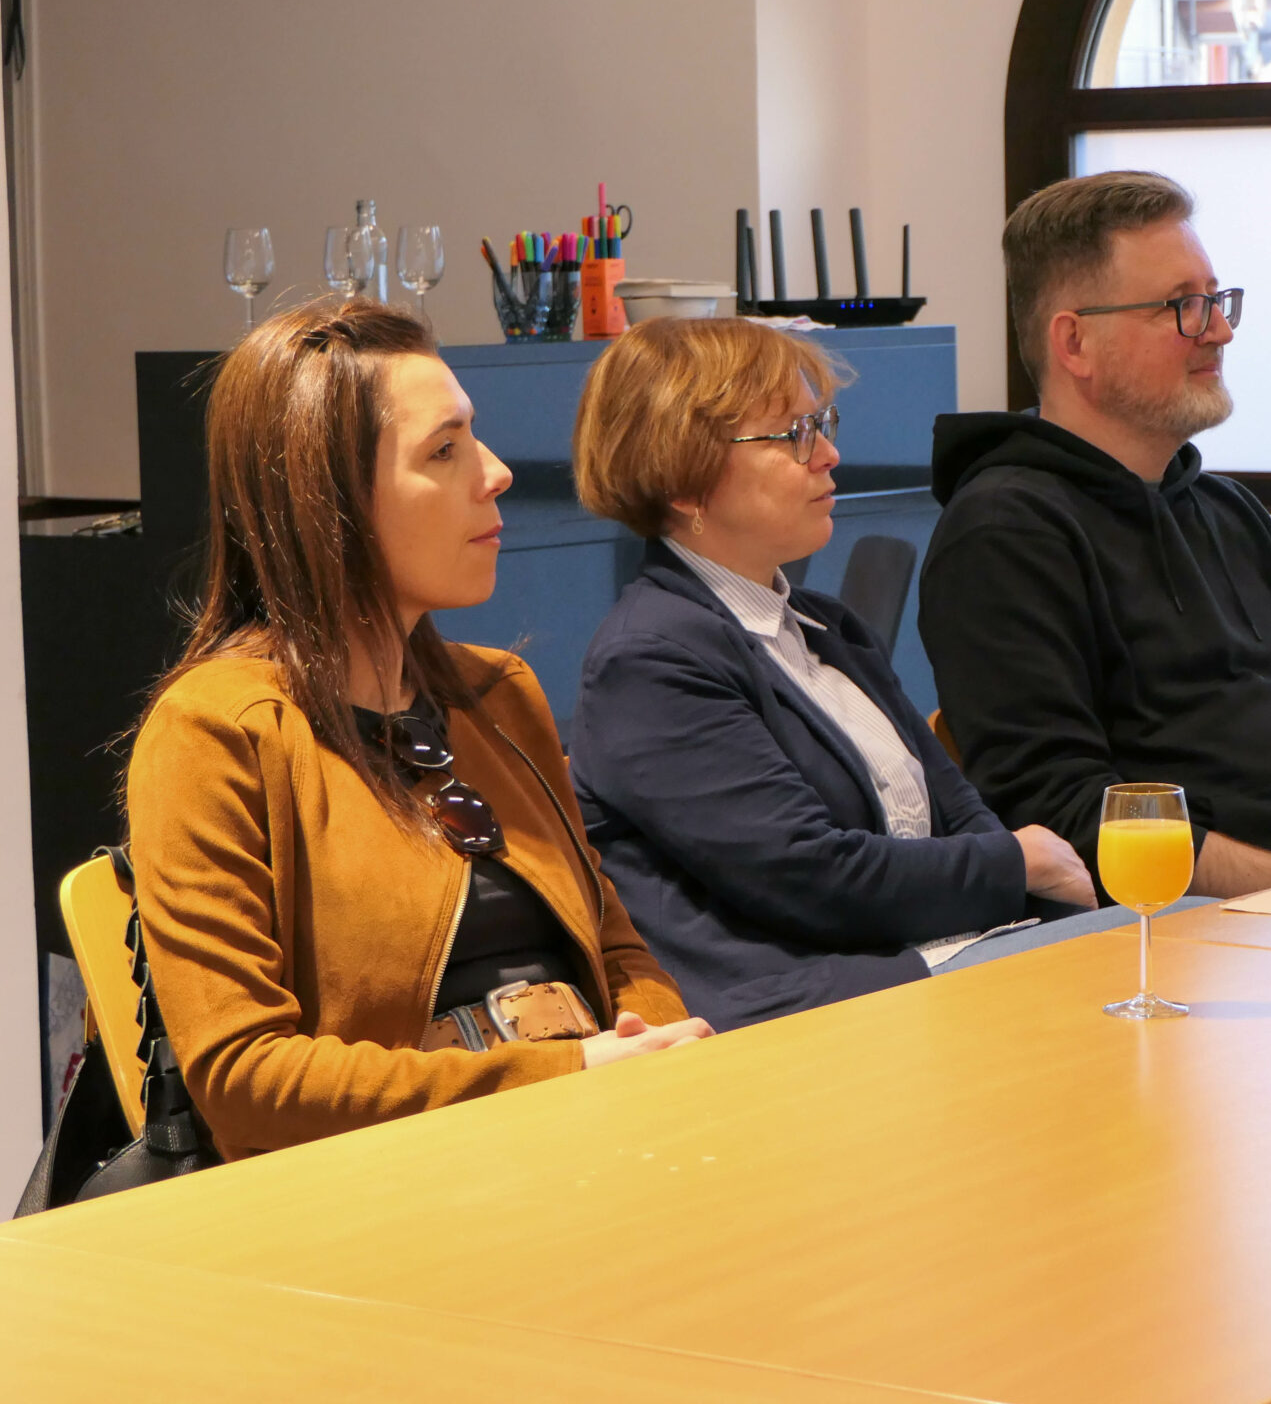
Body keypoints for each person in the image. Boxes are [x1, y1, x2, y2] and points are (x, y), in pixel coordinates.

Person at [125, 298, 710, 1162]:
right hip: (388, 1184)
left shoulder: (497, 695)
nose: (496, 472)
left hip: (585, 1140)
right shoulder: (215, 732)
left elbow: (616, 949)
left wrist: (654, 1048)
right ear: (327, 502)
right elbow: (246, 1083)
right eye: (444, 450)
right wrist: (569, 1074)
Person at [918, 170, 1271, 901]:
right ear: (1075, 342)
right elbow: (1066, 817)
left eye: (1215, 299)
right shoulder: (1004, 534)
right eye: (1182, 307)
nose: (1220, 331)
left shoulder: (1229, 511)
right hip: (1195, 933)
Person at [567, 317, 1094, 1033]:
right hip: (801, 1014)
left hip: (931, 964)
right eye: (792, 434)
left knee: (1176, 941)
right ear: (683, 480)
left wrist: (1026, 878)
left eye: (821, 424)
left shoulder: (826, 625)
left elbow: (958, 811)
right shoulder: (649, 659)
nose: (829, 454)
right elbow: (811, 878)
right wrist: (1018, 865)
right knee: (1166, 950)